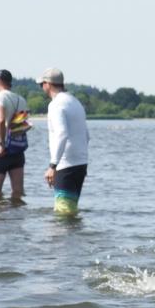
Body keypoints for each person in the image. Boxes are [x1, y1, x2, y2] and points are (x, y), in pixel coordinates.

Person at [39, 67, 89, 216]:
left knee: (63, 214)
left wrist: (52, 166)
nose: (41, 87)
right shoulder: (75, 102)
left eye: (41, 84)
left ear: (47, 84)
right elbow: (87, 135)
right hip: (80, 163)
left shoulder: (56, 105)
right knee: (71, 211)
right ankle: (75, 238)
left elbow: (62, 133)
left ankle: (63, 240)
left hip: (65, 165)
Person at [0, 69, 28, 203]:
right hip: (17, 149)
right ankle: (15, 220)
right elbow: (23, 126)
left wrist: (1, 144)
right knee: (17, 192)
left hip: (0, 149)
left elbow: (0, 120)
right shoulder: (21, 100)